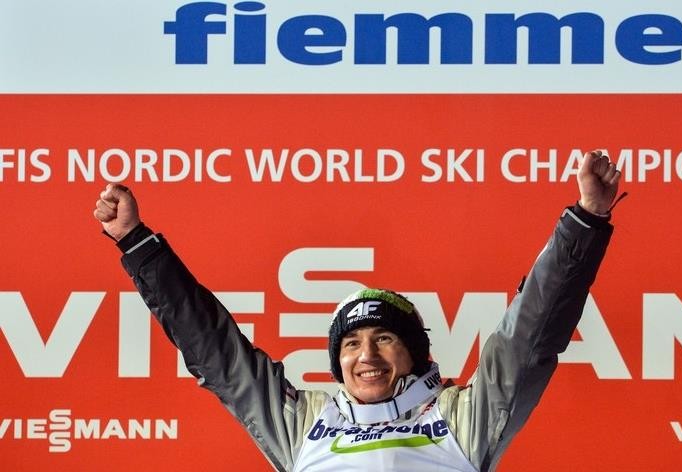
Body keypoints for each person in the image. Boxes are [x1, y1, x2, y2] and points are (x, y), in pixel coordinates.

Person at [94, 150, 621, 471]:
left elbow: (528, 337)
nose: (365, 355)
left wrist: (586, 220)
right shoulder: (304, 424)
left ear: (415, 353)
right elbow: (215, 351)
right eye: (350, 343)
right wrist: (136, 243)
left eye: (384, 338)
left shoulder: (461, 417)